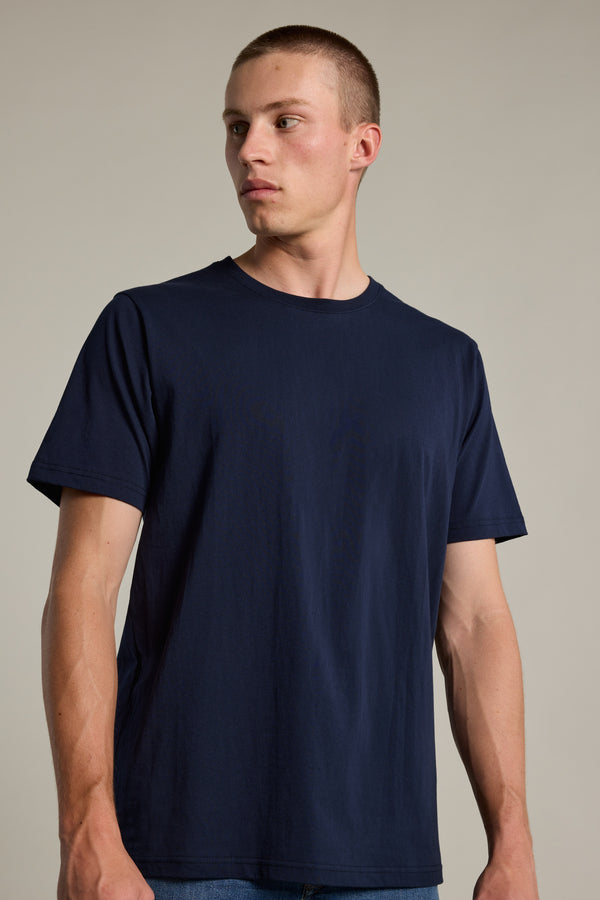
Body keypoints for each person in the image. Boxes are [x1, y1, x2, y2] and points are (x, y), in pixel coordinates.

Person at [27, 24, 539, 900]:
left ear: (361, 146)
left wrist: (513, 843)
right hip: (178, 854)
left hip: (385, 861)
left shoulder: (443, 363)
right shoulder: (148, 330)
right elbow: (82, 591)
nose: (249, 150)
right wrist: (87, 831)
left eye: (283, 120)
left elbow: (475, 623)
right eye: (235, 126)